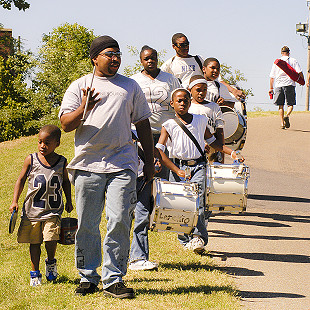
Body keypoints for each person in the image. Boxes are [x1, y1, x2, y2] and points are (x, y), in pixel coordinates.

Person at [59, 36, 155, 298]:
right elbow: (66, 125)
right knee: (88, 223)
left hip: (122, 163)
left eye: (118, 54)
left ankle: (113, 279)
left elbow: (144, 123)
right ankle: (88, 276)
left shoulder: (130, 86)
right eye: (109, 54)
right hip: (87, 164)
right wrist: (84, 107)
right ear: (95, 58)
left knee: (119, 220)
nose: (115, 59)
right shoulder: (80, 86)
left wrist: (148, 160)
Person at [156, 88, 243, 254]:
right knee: (181, 204)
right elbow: (159, 150)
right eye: (179, 101)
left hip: (198, 166)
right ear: (172, 104)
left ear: (190, 103)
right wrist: (176, 170)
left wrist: (231, 152)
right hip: (177, 168)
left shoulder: (200, 120)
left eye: (185, 100)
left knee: (198, 202)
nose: (182, 104)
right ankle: (184, 239)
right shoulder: (168, 125)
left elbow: (212, 142)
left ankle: (199, 238)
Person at [129, 45, 180, 271]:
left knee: (164, 187)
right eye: (146, 59)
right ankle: (137, 250)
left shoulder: (170, 79)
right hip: (139, 137)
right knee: (143, 186)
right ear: (141, 61)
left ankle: (184, 235)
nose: (150, 61)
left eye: (153, 58)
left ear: (158, 59)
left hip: (164, 136)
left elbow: (181, 103)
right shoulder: (133, 81)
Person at [10, 125, 73, 287]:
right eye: (40, 142)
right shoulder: (31, 159)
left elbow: (65, 182)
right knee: (35, 242)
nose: (42, 146)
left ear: (57, 144)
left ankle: (51, 262)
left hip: (53, 211)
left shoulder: (61, 162)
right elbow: (21, 179)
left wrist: (69, 200)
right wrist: (15, 201)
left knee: (51, 238)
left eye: (47, 143)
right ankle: (34, 272)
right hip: (32, 212)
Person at [161, 33, 245, 100]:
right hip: (185, 101)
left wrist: (233, 90)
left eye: (187, 44)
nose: (186, 47)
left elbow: (218, 80)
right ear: (174, 46)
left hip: (203, 99)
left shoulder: (198, 59)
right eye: (182, 45)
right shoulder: (169, 64)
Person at [187, 75, 225, 163]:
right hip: (192, 148)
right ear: (190, 90)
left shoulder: (214, 107)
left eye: (204, 89)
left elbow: (220, 131)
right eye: (198, 90)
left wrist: (221, 153)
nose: (202, 93)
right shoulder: (187, 107)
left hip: (212, 147)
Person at [269, 46, 304, 129]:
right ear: (289, 52)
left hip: (278, 85)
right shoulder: (293, 60)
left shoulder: (277, 62)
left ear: (281, 53)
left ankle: (282, 123)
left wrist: (271, 88)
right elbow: (299, 72)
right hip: (290, 84)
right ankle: (287, 116)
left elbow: (272, 77)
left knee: (280, 105)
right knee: (290, 104)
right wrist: (302, 81)